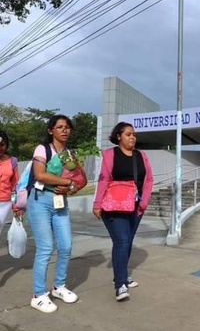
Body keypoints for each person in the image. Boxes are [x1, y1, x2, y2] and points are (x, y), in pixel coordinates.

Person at [28, 115, 87, 313]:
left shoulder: (70, 154)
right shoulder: (42, 149)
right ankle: (38, 294)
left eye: (67, 127)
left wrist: (72, 188)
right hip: (40, 201)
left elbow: (81, 180)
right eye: (60, 127)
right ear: (50, 130)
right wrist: (67, 183)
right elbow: (40, 175)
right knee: (45, 247)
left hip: (60, 203)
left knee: (66, 246)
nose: (64, 130)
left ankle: (58, 286)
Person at [92, 122, 153, 301]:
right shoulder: (110, 155)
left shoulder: (140, 155)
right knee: (122, 241)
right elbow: (103, 180)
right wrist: (97, 203)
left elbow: (148, 179)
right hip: (113, 206)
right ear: (118, 136)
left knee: (127, 242)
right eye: (128, 134)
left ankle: (120, 275)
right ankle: (120, 285)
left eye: (133, 134)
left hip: (135, 206)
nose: (132, 137)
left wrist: (144, 202)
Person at [0, 130, 20, 236]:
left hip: (4, 203)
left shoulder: (12, 161)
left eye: (2, 145)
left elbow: (15, 186)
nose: (0, 148)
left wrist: (15, 205)